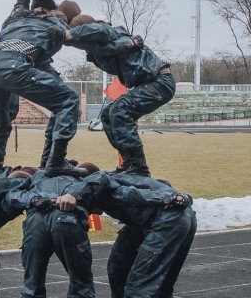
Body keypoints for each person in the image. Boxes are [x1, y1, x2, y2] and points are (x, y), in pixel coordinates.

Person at [59, 171, 196, 298]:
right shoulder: (127, 178)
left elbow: (98, 177)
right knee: (153, 280)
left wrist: (73, 194)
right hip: (178, 216)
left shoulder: (104, 184)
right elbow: (162, 184)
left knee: (139, 286)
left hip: (166, 221)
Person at [0, 6, 83, 178]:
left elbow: (41, 63)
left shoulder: (16, 21)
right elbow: (78, 38)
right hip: (12, 66)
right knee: (68, 100)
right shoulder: (56, 23)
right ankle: (55, 161)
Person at [64, 11, 175, 176]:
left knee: (119, 110)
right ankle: (128, 162)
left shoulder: (109, 33)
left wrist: (68, 35)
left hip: (159, 81)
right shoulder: (98, 49)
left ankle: (139, 167)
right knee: (108, 115)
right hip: (148, 83)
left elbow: (115, 41)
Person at [18, 167, 100, 298]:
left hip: (35, 221)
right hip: (68, 218)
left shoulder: (36, 177)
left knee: (32, 284)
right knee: (80, 283)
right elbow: (102, 181)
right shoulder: (84, 180)